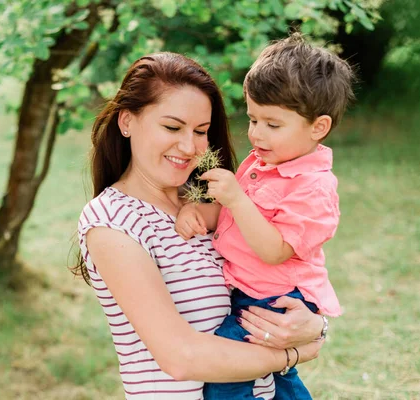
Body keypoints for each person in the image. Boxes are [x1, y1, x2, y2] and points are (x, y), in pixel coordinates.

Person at [74, 51, 327, 400]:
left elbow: (281, 276)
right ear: (127, 122)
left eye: (201, 131)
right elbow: (181, 357)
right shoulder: (113, 221)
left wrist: (315, 325)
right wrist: (293, 354)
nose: (189, 146)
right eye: (172, 127)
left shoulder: (211, 205)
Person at [175, 34, 354, 399]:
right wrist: (199, 211)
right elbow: (228, 216)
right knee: (277, 377)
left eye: (272, 125)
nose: (256, 134)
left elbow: (275, 251)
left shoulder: (313, 187)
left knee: (227, 368)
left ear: (318, 127)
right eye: (253, 118)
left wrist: (237, 200)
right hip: (250, 290)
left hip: (276, 298)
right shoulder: (261, 163)